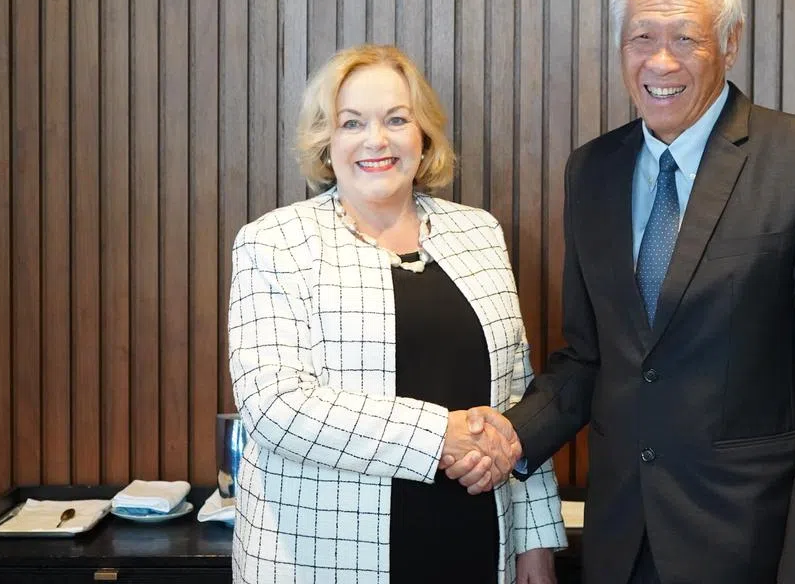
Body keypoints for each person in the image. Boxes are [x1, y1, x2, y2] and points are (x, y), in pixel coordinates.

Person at [446, 0, 795, 583]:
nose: (661, 61)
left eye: (686, 38)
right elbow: (592, 358)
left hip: (754, 545)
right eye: (641, 37)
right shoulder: (593, 171)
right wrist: (511, 436)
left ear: (730, 43)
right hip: (622, 539)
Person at [228, 44, 566, 584]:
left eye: (396, 120)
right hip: (323, 558)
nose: (376, 140)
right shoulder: (274, 242)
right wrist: (439, 437)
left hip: (476, 545)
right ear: (326, 140)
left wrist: (537, 538)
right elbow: (275, 406)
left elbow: (515, 397)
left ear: (422, 134)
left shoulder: (478, 232)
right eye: (352, 123)